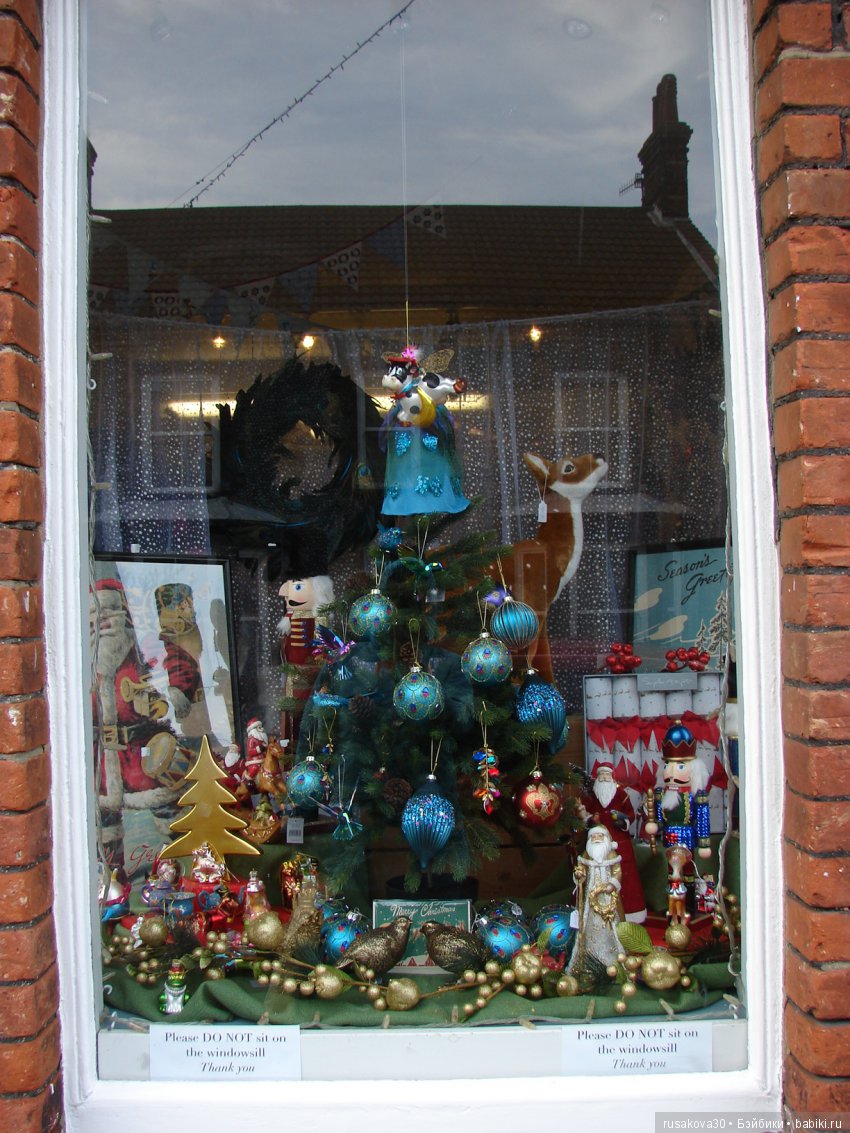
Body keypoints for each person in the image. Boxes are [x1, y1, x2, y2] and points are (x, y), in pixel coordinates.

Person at [91, 578, 181, 875]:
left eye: (110, 615)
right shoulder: (83, 658)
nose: (104, 624)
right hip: (103, 760)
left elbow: (168, 680)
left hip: (138, 751)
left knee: (164, 810)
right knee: (106, 825)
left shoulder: (142, 649)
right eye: (98, 616)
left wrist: (160, 702)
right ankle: (113, 879)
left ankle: (177, 869)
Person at [379, 345, 470, 517]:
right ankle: (408, 499)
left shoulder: (422, 387)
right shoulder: (401, 402)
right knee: (404, 456)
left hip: (424, 422)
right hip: (407, 424)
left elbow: (436, 388)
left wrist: (451, 387)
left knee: (428, 454)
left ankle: (429, 495)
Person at [578, 761, 646, 923]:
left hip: (619, 840)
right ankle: (593, 912)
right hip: (597, 841)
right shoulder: (592, 795)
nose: (604, 777)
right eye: (601, 774)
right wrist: (589, 819)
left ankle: (631, 912)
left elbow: (629, 814)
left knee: (626, 876)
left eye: (607, 774)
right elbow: (584, 814)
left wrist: (623, 821)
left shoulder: (620, 793)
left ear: (612, 776)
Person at [645, 721, 712, 859]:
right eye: (667, 766)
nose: (671, 772)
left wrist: (704, 843)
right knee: (671, 865)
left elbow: (702, 819)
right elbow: (659, 818)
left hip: (688, 836)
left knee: (687, 864)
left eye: (680, 767)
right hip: (668, 836)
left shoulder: (696, 796)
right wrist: (654, 824)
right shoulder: (661, 794)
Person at [569, 825, 623, 970]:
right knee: (590, 922)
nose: (596, 839)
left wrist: (612, 884)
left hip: (608, 897)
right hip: (591, 898)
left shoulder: (611, 854)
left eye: (599, 836)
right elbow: (581, 869)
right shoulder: (587, 854)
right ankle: (590, 954)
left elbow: (617, 871)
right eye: (593, 837)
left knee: (611, 924)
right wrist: (579, 874)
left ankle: (613, 957)